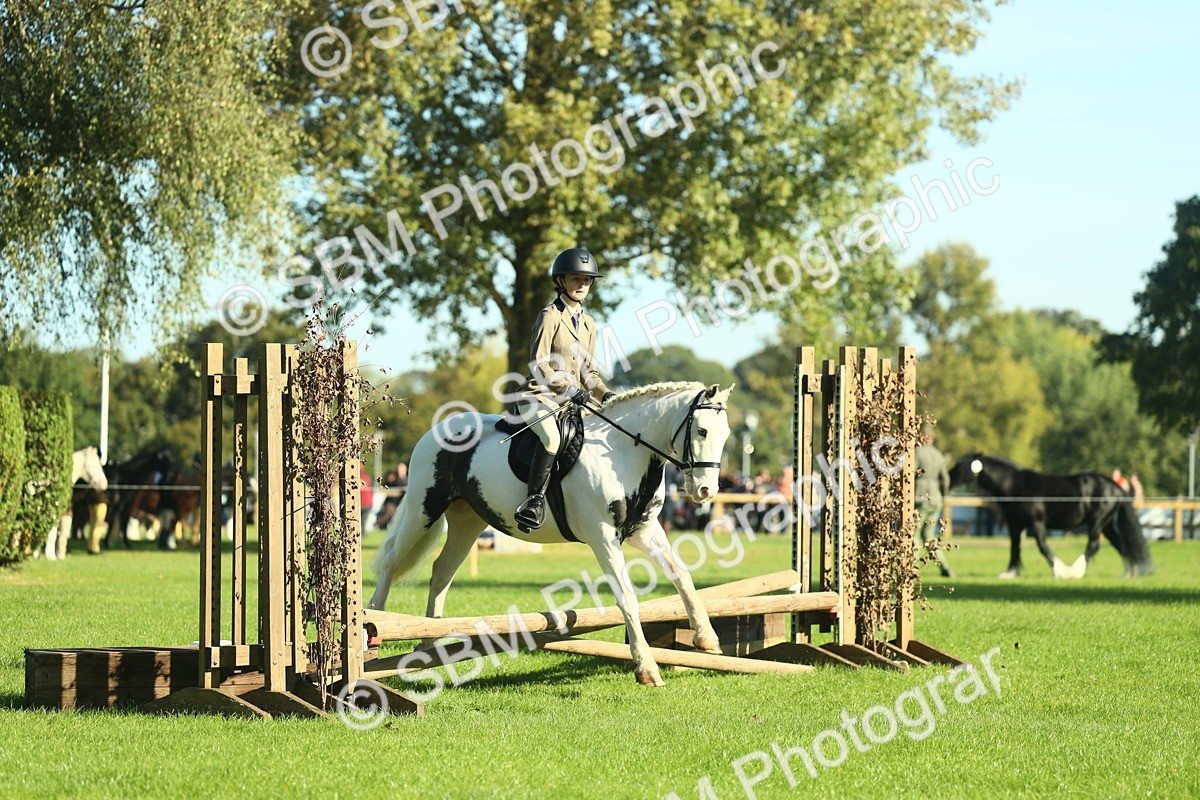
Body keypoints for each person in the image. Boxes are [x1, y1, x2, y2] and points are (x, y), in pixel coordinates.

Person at [513, 247, 615, 530]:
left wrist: (605, 395)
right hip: (537, 396)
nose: (582, 285)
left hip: (571, 402)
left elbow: (588, 372)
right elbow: (539, 364)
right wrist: (570, 389)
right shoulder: (549, 315)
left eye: (587, 280)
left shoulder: (589, 323)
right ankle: (533, 502)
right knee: (552, 440)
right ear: (561, 281)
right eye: (575, 279)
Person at [915, 430, 954, 578]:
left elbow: (911, 471)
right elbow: (945, 479)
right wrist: (942, 496)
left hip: (920, 497)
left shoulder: (917, 452)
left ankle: (910, 569)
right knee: (929, 535)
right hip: (935, 498)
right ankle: (945, 567)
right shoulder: (938, 455)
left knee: (914, 534)